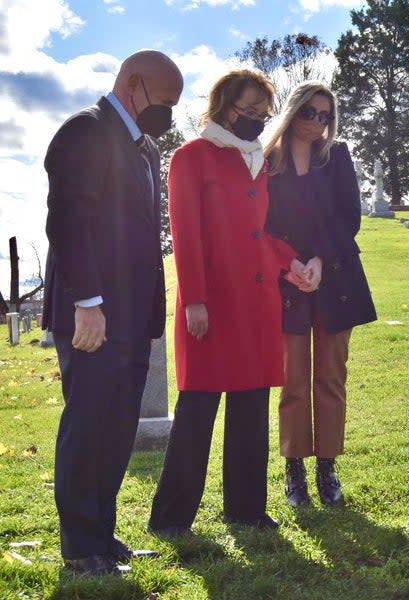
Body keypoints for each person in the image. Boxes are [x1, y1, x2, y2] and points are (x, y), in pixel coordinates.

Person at [43, 50, 183, 575]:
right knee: (88, 425)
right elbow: (70, 223)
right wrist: (87, 304)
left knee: (117, 427)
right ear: (134, 84)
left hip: (130, 315)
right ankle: (80, 549)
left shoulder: (143, 148)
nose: (167, 113)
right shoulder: (85, 131)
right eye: (164, 102)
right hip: (93, 313)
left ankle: (101, 533)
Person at [148, 69, 306, 535]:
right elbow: (185, 233)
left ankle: (246, 510)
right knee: (197, 411)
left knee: (252, 409)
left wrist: (291, 263)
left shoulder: (257, 159)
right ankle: (171, 519)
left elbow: (260, 236)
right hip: (212, 305)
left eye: (263, 112)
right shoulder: (190, 157)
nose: (256, 120)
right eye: (247, 110)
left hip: (257, 304)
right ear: (223, 106)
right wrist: (194, 298)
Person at [264, 81, 377, 507]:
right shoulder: (269, 160)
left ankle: (327, 467)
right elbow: (264, 223)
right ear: (294, 111)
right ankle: (294, 470)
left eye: (326, 115)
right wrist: (291, 263)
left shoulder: (338, 157)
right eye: (309, 112)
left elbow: (349, 217)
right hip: (288, 279)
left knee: (331, 377)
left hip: (335, 278)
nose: (317, 122)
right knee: (293, 379)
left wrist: (317, 260)